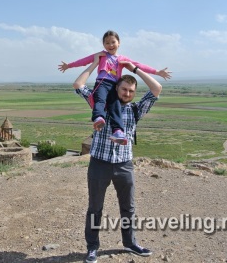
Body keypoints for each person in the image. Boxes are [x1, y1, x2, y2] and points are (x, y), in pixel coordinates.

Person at [74, 53, 171, 263]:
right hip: (99, 163)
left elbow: (157, 89)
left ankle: (130, 243)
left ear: (134, 94)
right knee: (95, 208)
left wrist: (133, 69)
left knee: (128, 207)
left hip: (124, 165)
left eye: (131, 91)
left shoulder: (135, 110)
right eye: (124, 89)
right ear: (116, 88)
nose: (127, 93)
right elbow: (79, 85)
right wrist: (94, 64)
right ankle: (92, 248)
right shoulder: (101, 105)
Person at [59, 30, 171, 145]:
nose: (110, 45)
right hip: (101, 84)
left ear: (119, 43)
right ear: (103, 45)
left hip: (114, 86)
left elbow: (139, 65)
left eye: (113, 42)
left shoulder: (122, 59)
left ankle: (118, 131)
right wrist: (69, 65)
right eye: (107, 43)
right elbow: (84, 61)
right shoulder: (101, 55)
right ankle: (99, 118)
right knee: (100, 100)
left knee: (115, 106)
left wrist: (156, 72)